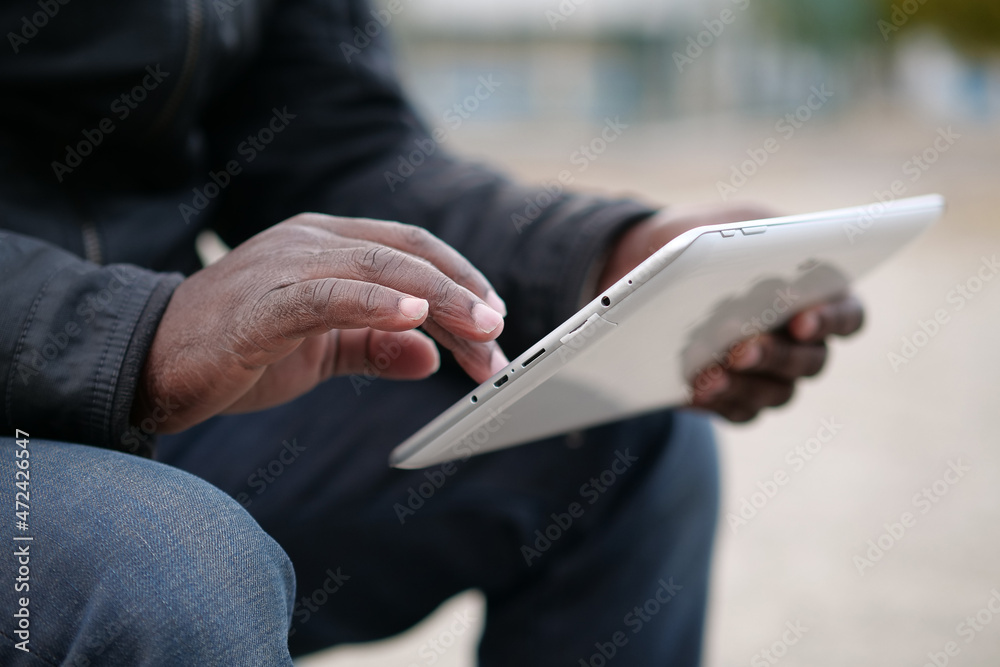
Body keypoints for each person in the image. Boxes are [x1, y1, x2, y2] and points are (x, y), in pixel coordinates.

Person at [0, 0, 863, 664]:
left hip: (147, 408)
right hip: (74, 409)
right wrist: (126, 332)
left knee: (609, 421)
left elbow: (334, 148)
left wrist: (608, 256)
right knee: (165, 567)